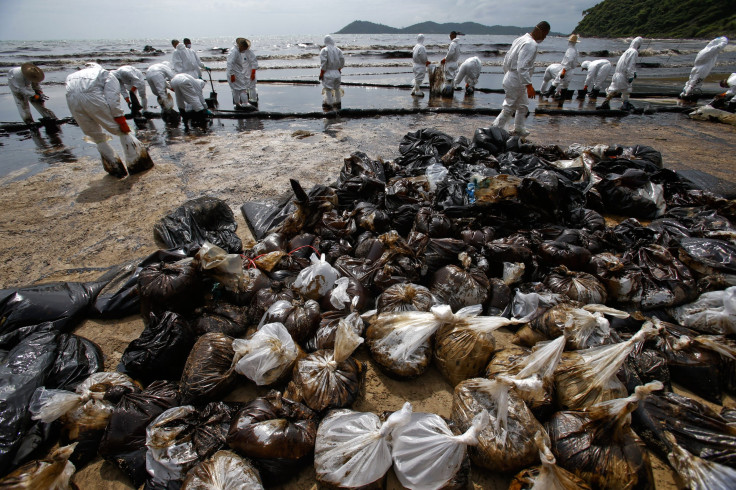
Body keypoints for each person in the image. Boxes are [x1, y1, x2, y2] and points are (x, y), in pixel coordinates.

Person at [65, 63, 153, 177]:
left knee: (94, 134)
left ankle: (114, 167)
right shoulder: (107, 74)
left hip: (72, 100)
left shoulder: (72, 75)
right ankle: (136, 163)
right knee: (120, 130)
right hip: (92, 97)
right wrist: (120, 119)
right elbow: (112, 100)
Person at [492, 21, 550, 137]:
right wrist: (529, 85)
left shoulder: (520, 39)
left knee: (523, 105)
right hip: (517, 78)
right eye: (545, 34)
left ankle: (519, 128)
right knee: (509, 106)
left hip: (512, 76)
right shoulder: (531, 44)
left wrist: (507, 74)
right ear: (540, 31)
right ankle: (495, 130)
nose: (544, 38)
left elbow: (506, 59)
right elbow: (522, 67)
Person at [597, 36, 643, 111]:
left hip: (618, 74)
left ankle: (608, 103)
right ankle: (623, 104)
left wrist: (633, 72)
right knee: (623, 90)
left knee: (616, 89)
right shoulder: (634, 52)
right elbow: (630, 65)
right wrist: (631, 75)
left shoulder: (627, 51)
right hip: (623, 75)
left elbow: (624, 64)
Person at [680, 36, 729, 100]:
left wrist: (719, 38)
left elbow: (713, 42)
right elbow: (721, 45)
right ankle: (687, 95)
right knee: (695, 82)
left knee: (691, 80)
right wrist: (725, 39)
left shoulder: (704, 50)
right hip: (703, 69)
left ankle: (684, 93)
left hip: (696, 67)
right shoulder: (711, 50)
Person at [227, 38, 254, 111]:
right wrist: (232, 74)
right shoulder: (234, 52)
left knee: (235, 89)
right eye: (244, 48)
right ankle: (245, 103)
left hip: (235, 72)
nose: (244, 50)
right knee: (242, 89)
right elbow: (230, 63)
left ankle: (237, 104)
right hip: (235, 73)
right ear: (241, 46)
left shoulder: (235, 51)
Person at [319, 35, 345, 110]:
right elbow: (342, 60)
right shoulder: (338, 50)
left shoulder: (324, 50)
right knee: (337, 89)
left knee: (328, 90)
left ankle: (329, 106)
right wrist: (339, 69)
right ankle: (338, 104)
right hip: (337, 72)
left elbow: (323, 63)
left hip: (328, 73)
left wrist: (321, 74)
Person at [551, 34, 580, 99]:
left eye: (569, 41)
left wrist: (564, 70)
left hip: (567, 69)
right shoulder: (574, 50)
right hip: (568, 69)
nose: (569, 42)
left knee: (562, 83)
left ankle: (559, 96)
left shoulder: (571, 50)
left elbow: (569, 60)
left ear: (571, 42)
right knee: (558, 81)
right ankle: (551, 94)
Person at [440, 31, 460, 96]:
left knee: (448, 79)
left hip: (450, 63)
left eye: (451, 35)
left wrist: (445, 59)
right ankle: (451, 92)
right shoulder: (457, 44)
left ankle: (448, 93)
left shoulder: (453, 44)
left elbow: (450, 53)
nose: (450, 36)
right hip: (454, 63)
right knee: (452, 79)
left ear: (453, 35)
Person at [242, 38, 259, 106]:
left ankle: (253, 101)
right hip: (244, 73)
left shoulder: (250, 53)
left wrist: (253, 73)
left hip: (250, 72)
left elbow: (254, 64)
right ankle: (247, 101)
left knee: (252, 87)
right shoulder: (241, 53)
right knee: (245, 88)